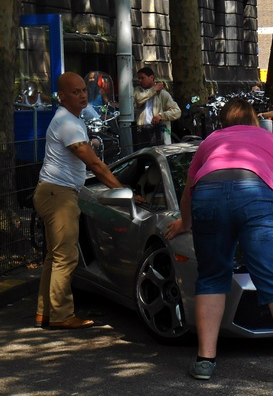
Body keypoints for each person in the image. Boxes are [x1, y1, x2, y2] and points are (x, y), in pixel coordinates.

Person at [164, 98, 273, 389]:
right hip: (255, 196)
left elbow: (189, 192)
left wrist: (184, 224)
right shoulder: (272, 140)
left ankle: (205, 360)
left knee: (212, 277)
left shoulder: (210, 141)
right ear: (254, 119)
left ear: (223, 122)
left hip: (208, 197)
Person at [33, 72, 124, 330]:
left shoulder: (72, 119)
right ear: (62, 96)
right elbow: (94, 164)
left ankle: (45, 312)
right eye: (76, 92)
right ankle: (62, 315)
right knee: (66, 257)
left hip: (53, 191)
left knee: (54, 256)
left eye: (85, 90)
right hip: (58, 194)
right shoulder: (68, 123)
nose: (83, 95)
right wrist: (121, 189)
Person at [133, 67, 181, 149]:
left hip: (158, 132)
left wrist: (161, 116)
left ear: (151, 77)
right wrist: (153, 89)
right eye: (139, 78)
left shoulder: (163, 94)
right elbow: (138, 99)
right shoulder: (138, 91)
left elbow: (177, 112)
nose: (140, 80)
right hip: (142, 131)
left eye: (142, 78)